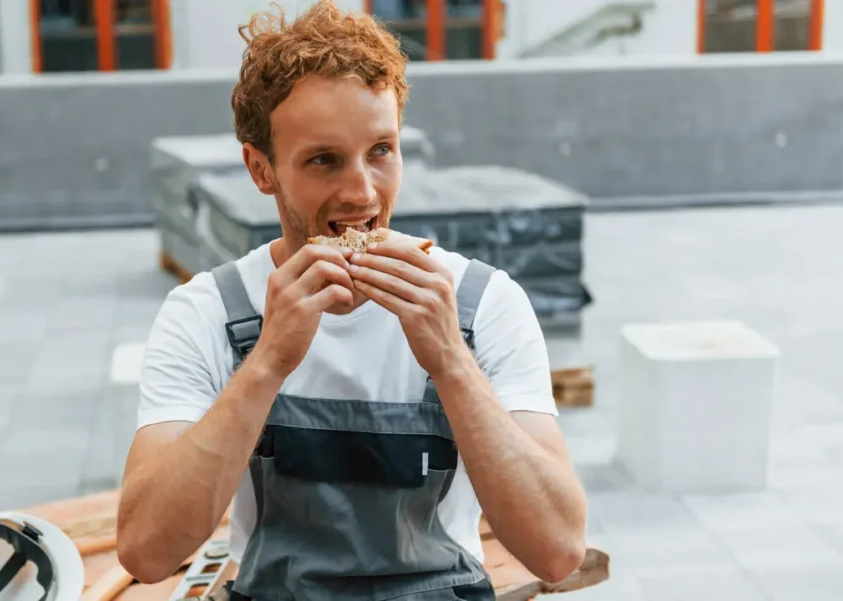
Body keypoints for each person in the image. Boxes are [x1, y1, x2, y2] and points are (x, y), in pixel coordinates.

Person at [116, 1, 587, 598]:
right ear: (261, 170)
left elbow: (557, 551)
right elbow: (147, 551)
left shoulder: (481, 302)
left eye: (381, 151)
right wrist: (266, 362)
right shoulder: (208, 312)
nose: (362, 192)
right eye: (324, 161)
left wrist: (449, 360)